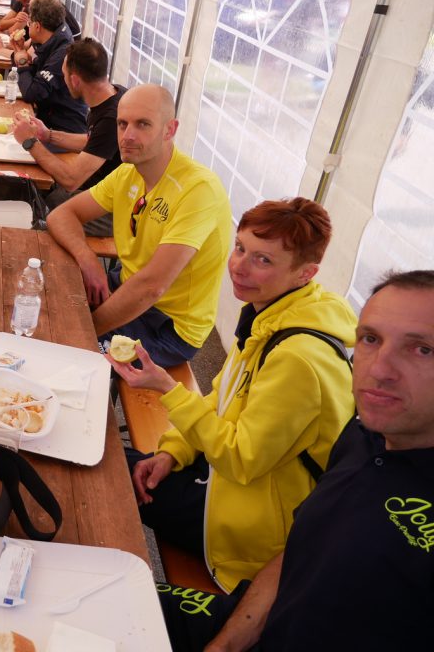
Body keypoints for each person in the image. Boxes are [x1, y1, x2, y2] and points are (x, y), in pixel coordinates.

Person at [160, 270, 434, 651]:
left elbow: (241, 456)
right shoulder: (361, 436)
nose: (379, 370)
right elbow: (298, 551)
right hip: (251, 619)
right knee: (101, 596)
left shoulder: (297, 355)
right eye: (371, 339)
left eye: (422, 349)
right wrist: (224, 645)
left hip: (239, 530)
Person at [114, 198, 356, 594]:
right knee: (125, 462)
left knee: (108, 469)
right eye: (240, 247)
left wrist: (168, 389)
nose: (239, 266)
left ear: (305, 273)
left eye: (263, 260)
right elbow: (222, 399)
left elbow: (241, 459)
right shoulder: (274, 314)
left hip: (252, 532)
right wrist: (172, 452)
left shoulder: (298, 358)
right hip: (230, 482)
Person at [47, 84, 231, 366]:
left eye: (143, 124)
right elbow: (61, 215)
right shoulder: (128, 173)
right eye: (122, 124)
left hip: (168, 325)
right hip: (126, 285)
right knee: (44, 299)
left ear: (170, 130)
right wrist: (87, 258)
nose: (128, 136)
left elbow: (151, 288)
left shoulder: (198, 189)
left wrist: (82, 331)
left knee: (66, 355)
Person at [12, 37, 126, 236]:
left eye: (64, 74)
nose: (63, 80)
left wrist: (30, 142)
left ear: (74, 80)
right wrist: (47, 135)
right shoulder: (114, 94)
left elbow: (71, 179)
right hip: (102, 191)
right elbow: (93, 142)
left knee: (45, 214)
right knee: (38, 192)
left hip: (118, 210)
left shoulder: (111, 117)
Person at [7, 0, 87, 134]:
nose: (28, 27)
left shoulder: (62, 53)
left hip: (63, 129)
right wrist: (19, 51)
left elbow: (32, 93)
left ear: (37, 26)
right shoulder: (52, 40)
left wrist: (22, 63)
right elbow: (34, 76)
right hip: (48, 121)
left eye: (29, 23)